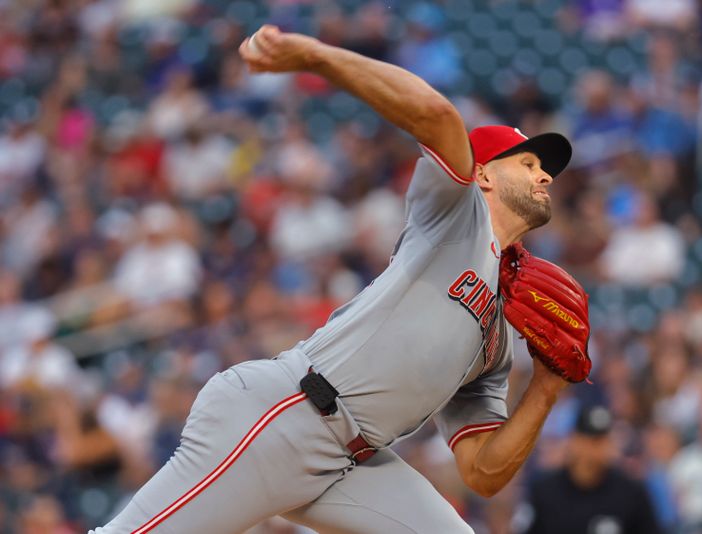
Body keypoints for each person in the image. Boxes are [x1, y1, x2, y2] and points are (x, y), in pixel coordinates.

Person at [91, 24, 578, 533]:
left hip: (353, 463)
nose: (545, 176)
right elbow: (436, 114)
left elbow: (482, 472)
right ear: (482, 174)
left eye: (546, 170)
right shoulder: (458, 216)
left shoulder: (502, 329)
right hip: (288, 414)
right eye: (528, 163)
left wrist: (547, 385)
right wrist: (315, 56)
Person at [525, 405, 662, 534]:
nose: (597, 450)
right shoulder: (545, 491)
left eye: (604, 440)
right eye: (592, 441)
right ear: (574, 441)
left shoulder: (631, 493)